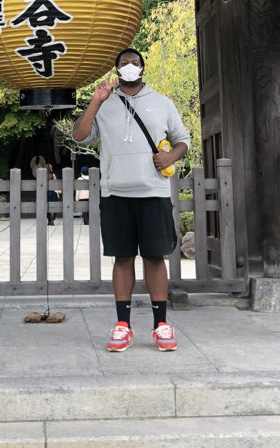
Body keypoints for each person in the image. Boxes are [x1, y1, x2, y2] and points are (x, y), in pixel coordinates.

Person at [72, 48, 191, 354]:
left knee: (154, 257)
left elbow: (183, 140)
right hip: (115, 192)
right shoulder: (105, 103)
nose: (128, 67)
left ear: (142, 68)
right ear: (116, 69)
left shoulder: (162, 103)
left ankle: (161, 324)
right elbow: (80, 136)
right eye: (123, 63)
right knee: (122, 258)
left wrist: (171, 155)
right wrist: (95, 101)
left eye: (134, 63)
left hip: (153, 191)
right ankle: (122, 325)